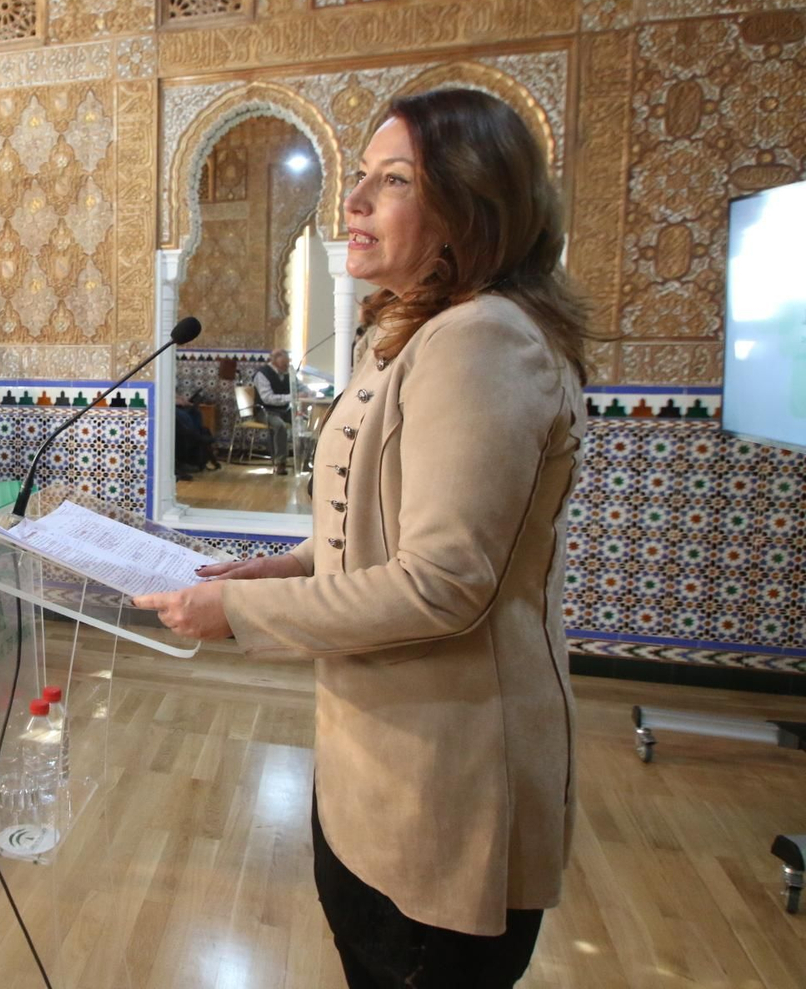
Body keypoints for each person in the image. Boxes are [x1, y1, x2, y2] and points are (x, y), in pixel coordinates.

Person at [134, 89, 589, 989]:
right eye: (362, 177)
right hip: (369, 759)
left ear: (470, 205)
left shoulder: (482, 339)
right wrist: (284, 565)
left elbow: (443, 582)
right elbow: (378, 526)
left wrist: (240, 612)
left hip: (443, 774)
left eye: (395, 181)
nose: (353, 201)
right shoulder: (406, 331)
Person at [252, 348, 293, 472]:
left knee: (303, 420)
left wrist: (308, 392)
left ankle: (305, 459)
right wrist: (291, 397)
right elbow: (267, 398)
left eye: (287, 363)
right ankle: (280, 463)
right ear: (274, 362)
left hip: (284, 410)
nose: (286, 367)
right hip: (265, 411)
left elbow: (299, 386)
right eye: (284, 364)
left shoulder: (287, 372)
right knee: (280, 426)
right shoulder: (262, 374)